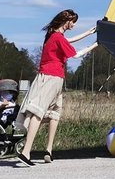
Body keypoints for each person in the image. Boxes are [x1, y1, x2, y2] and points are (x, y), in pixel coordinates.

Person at [16, 9, 97, 167]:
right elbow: (76, 55)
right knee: (38, 113)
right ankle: (26, 152)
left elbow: (69, 41)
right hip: (50, 78)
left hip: (55, 78)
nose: (74, 25)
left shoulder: (54, 35)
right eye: (72, 22)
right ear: (66, 21)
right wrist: (95, 45)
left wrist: (88, 32)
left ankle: (48, 150)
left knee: (54, 114)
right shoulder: (57, 37)